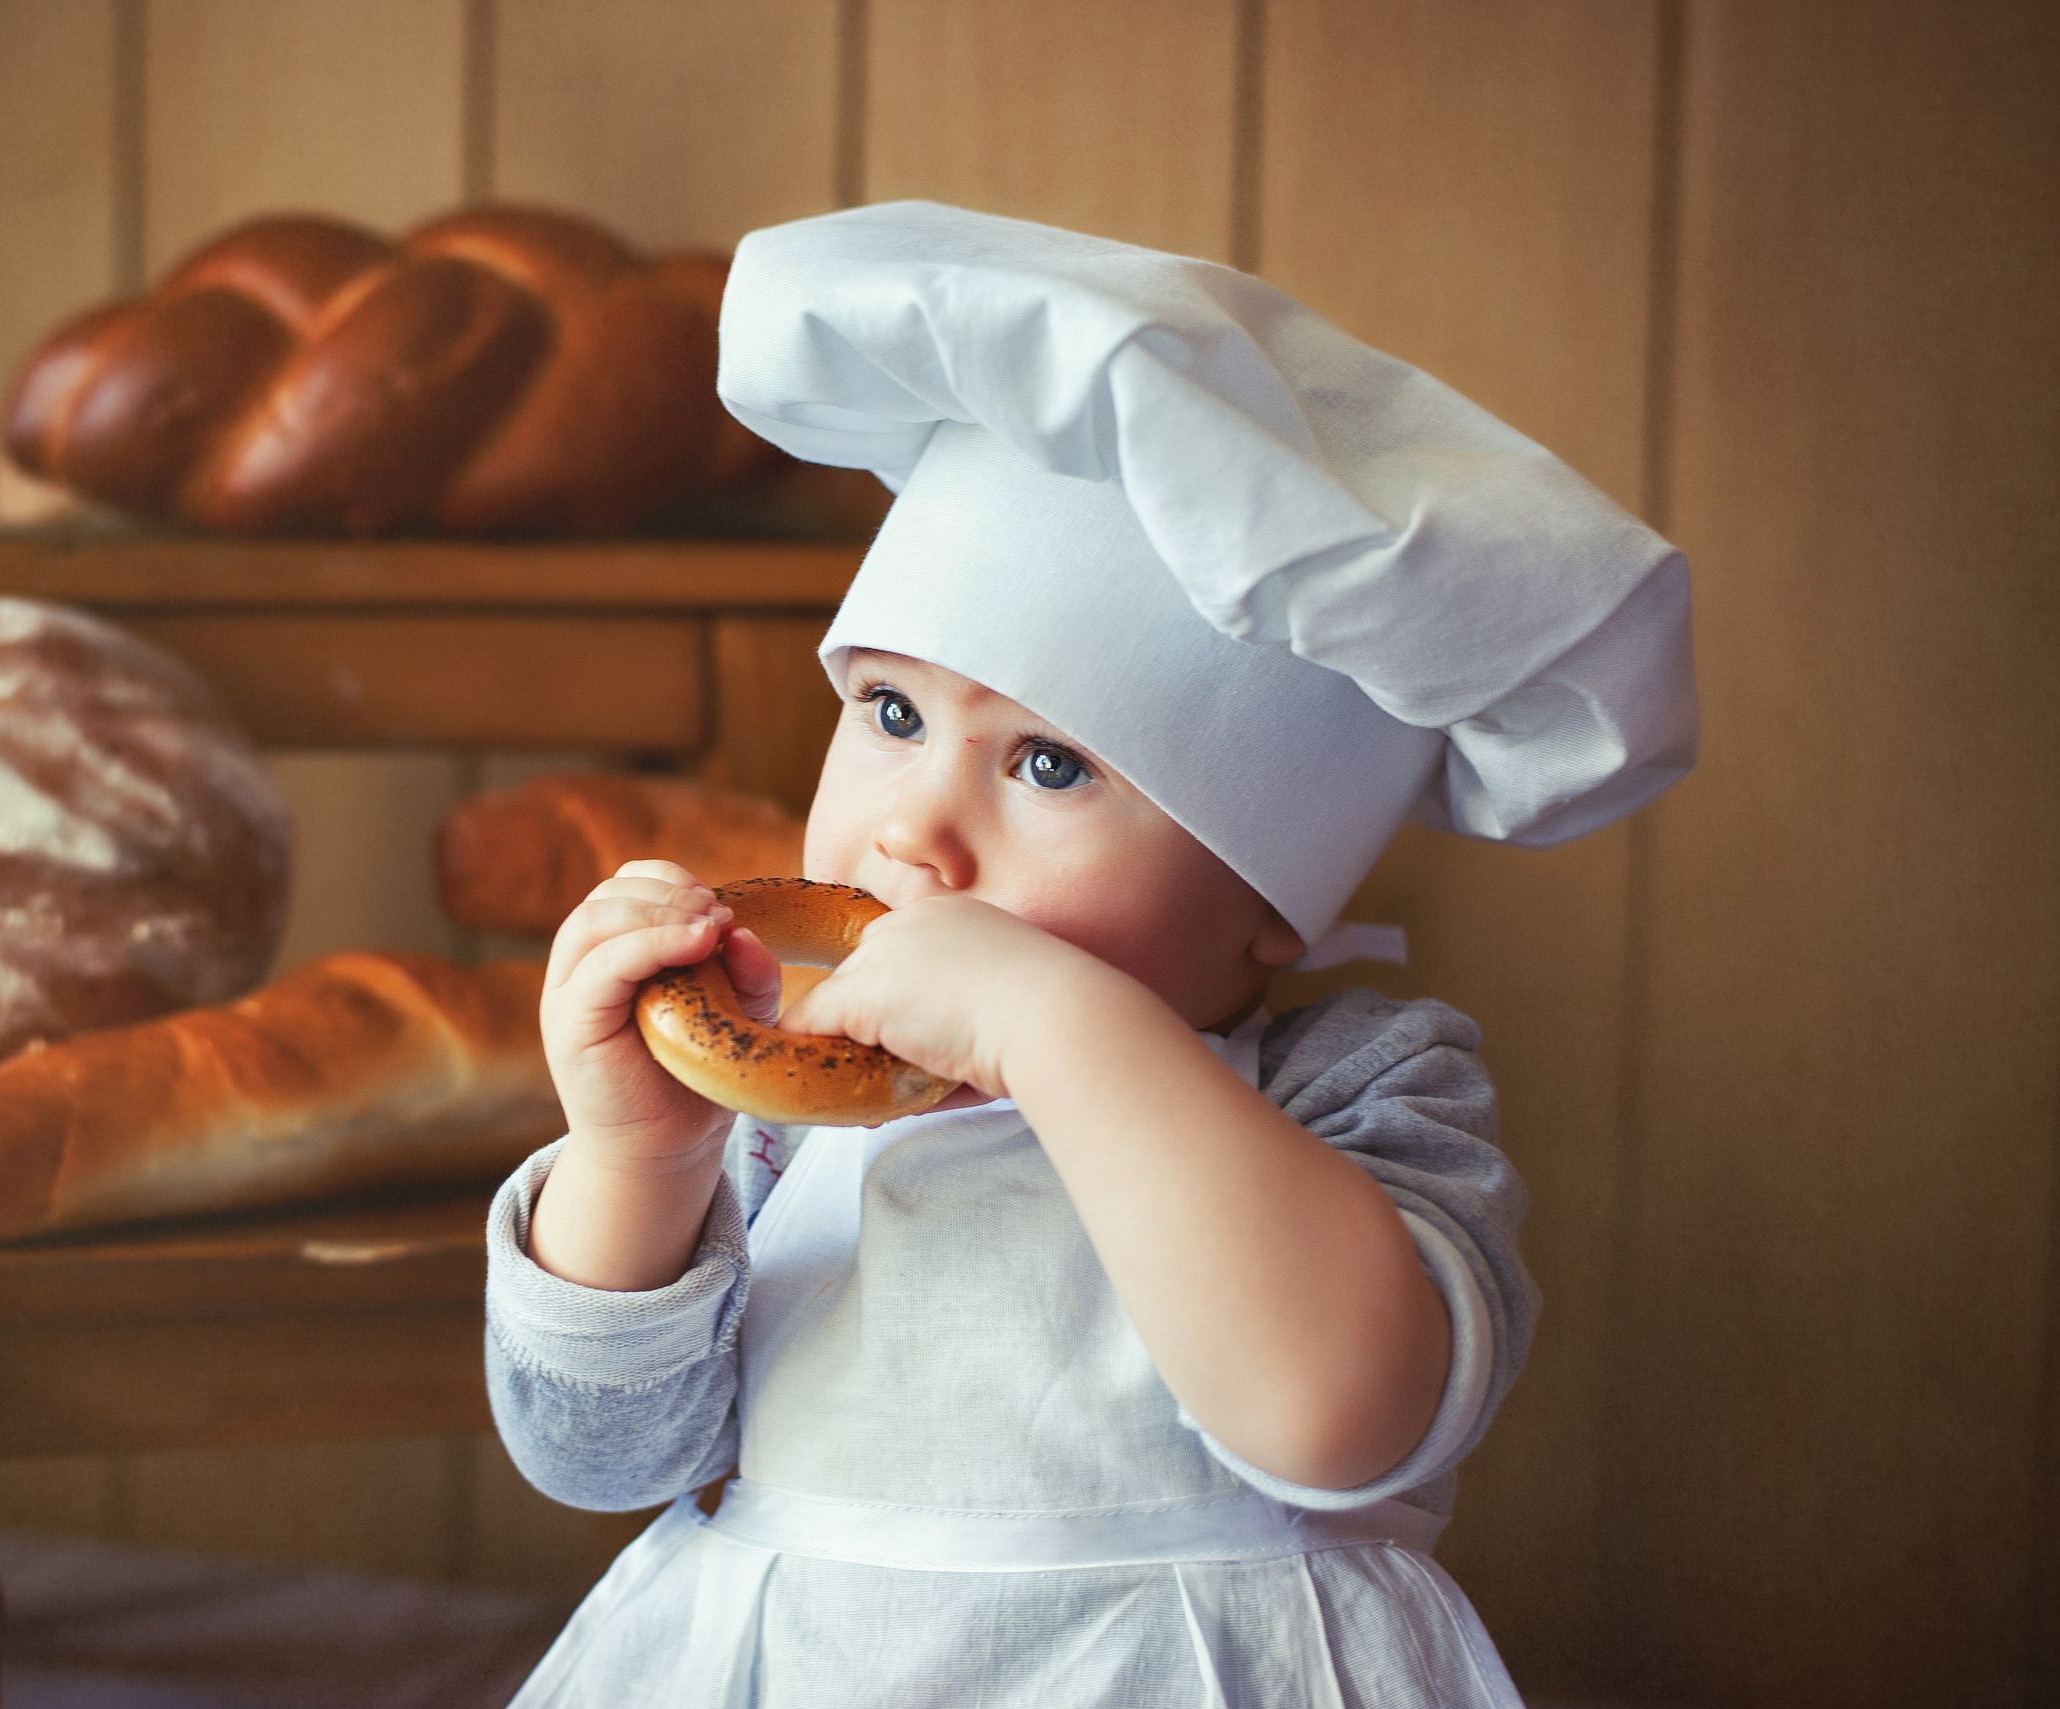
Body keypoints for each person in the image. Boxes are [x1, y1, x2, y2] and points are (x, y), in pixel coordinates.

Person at [483, 201, 1696, 1707]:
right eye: (893, 714)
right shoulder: (785, 1120)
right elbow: (599, 1458)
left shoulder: (1359, 1086)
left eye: (1050, 767)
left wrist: (1059, 1031)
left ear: (1275, 890)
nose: (917, 832)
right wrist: (641, 1162)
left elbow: (1342, 1418)